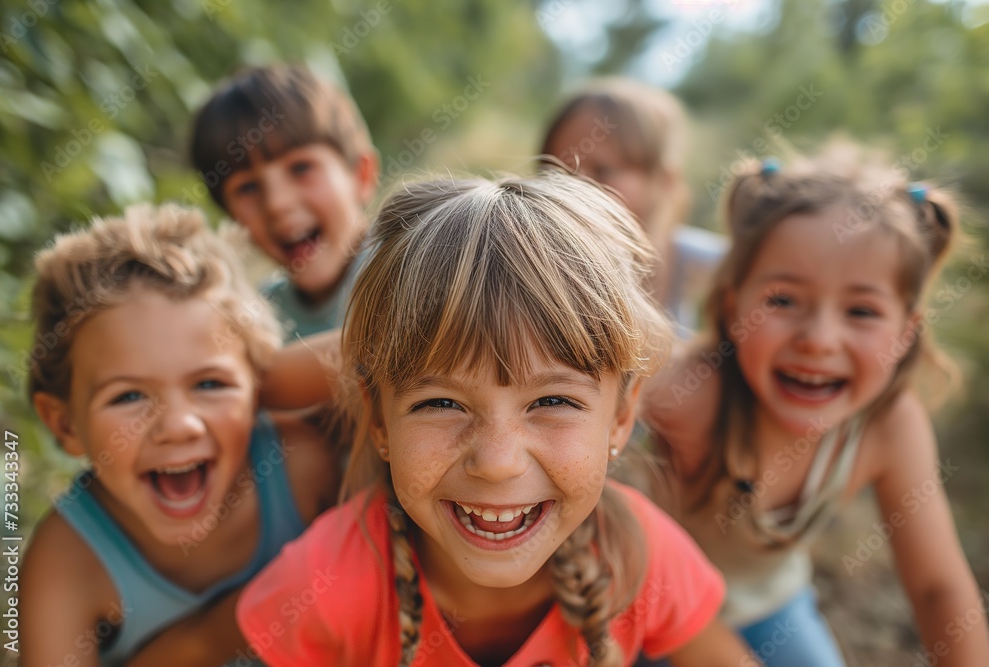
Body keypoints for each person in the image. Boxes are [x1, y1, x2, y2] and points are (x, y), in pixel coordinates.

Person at [236, 172, 758, 666]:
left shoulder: (641, 555)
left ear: (622, 416)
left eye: (552, 402)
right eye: (441, 403)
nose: (498, 463)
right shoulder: (323, 583)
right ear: (378, 419)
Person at [639, 148, 989, 666]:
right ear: (734, 307)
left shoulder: (889, 427)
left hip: (770, 609)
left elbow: (939, 588)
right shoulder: (689, 396)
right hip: (647, 606)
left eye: (862, 311)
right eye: (783, 301)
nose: (819, 340)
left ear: (906, 331)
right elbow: (608, 538)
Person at [20, 204, 342, 666]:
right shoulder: (67, 563)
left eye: (210, 384)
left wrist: (255, 384)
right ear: (66, 425)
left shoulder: (300, 468)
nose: (180, 426)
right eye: (128, 396)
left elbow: (410, 350)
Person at [190, 63, 379, 340]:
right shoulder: (260, 323)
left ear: (361, 176)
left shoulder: (415, 264)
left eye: (301, 168)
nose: (277, 204)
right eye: (248, 187)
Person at [540, 77, 727, 333]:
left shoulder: (698, 261)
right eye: (558, 168)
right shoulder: (536, 261)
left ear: (663, 181)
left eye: (603, 170)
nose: (574, 186)